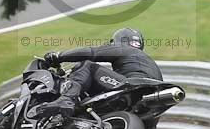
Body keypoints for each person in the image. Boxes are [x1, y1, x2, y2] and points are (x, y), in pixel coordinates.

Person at [33, 27, 162, 118]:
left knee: (87, 65)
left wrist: (58, 56)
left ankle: (66, 99)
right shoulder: (150, 63)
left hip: (129, 85)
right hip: (149, 100)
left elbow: (91, 52)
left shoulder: (124, 48)